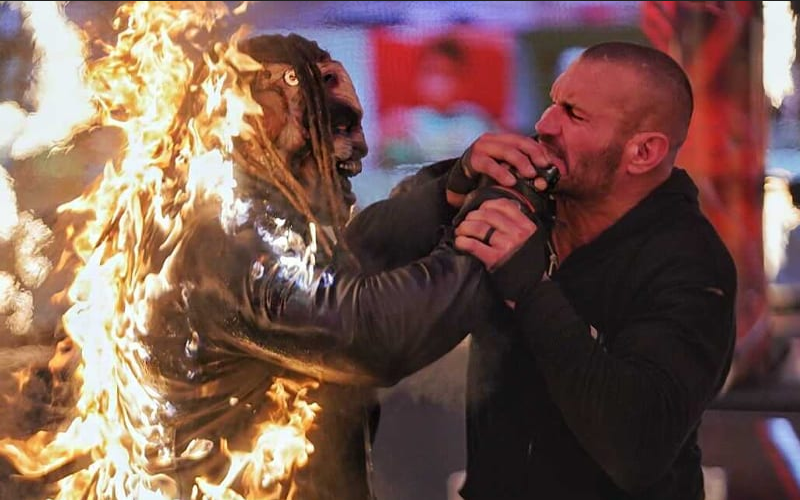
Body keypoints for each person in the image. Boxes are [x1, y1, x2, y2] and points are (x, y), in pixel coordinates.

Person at [349, 40, 736, 499]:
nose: (544, 124)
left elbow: (637, 447)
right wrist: (445, 192)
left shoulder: (690, 262)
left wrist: (532, 290)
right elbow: (355, 259)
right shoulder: (528, 197)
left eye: (574, 115)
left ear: (643, 153)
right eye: (554, 101)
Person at [377, 35, 500, 167]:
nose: (438, 81)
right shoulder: (403, 122)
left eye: (447, 73)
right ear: (418, 77)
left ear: (462, 80)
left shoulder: (476, 122)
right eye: (430, 70)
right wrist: (387, 141)